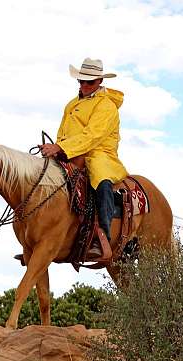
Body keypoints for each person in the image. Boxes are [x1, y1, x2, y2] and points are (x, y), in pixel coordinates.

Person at [41, 58, 128, 258]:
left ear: (99, 81)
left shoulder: (106, 106)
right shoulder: (71, 104)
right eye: (81, 81)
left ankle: (103, 236)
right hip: (71, 151)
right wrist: (56, 149)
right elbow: (63, 133)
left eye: (90, 82)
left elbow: (93, 136)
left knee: (101, 181)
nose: (84, 85)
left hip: (100, 153)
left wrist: (60, 147)